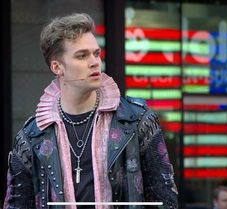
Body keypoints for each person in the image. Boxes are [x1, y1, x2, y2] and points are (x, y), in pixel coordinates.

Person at [3, 13, 178, 209]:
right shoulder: (31, 137)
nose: (94, 62)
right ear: (57, 66)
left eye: (96, 53)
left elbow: (165, 201)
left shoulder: (138, 121)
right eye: (82, 55)